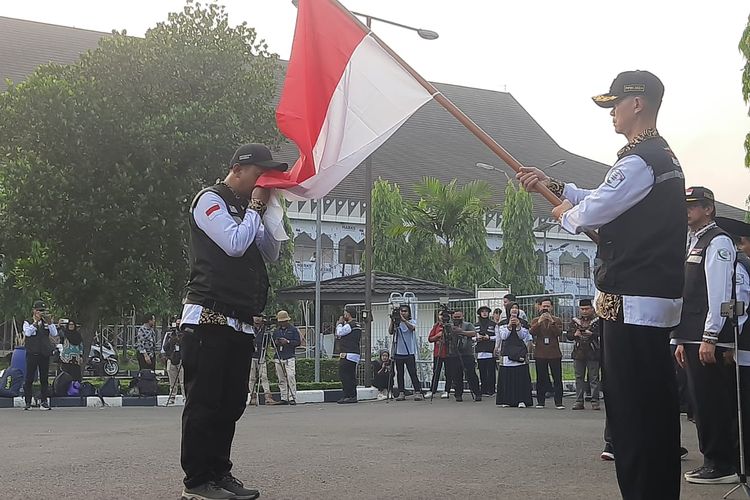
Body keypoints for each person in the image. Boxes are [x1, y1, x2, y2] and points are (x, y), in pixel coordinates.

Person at [518, 70, 686, 499]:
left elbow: (594, 210)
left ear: (638, 104)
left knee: (633, 412)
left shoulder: (641, 159)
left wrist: (564, 214)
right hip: (645, 301)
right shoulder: (655, 157)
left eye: (616, 104)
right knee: (651, 408)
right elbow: (601, 195)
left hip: (632, 301)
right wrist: (554, 187)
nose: (611, 113)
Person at [179, 143, 285, 500]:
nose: (264, 182)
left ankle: (219, 473)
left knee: (231, 403)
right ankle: (196, 481)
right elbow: (235, 244)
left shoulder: (249, 208)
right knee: (204, 402)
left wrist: (268, 211)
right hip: (208, 317)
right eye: (260, 174)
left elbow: (270, 252)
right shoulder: (210, 200)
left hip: (240, 321)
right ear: (238, 170)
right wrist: (255, 205)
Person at [673, 187, 740, 485]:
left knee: (713, 400)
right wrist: (680, 339)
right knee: (699, 401)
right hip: (691, 333)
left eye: (693, 206)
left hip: (709, 335)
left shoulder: (718, 241)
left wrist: (710, 335)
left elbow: (719, 292)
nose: (687, 211)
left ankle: (722, 461)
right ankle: (712, 457)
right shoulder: (693, 240)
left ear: (708, 208)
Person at [714, 216, 750, 476]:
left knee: (742, 407)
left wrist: (730, 343)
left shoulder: (739, 267)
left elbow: (741, 309)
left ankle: (744, 463)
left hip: (745, 347)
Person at [495, 302, 533, 408]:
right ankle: (507, 400)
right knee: (507, 377)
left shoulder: (524, 322)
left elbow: (523, 336)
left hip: (519, 351)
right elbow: (503, 336)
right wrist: (509, 326)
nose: (514, 310)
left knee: (520, 377)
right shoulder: (502, 323)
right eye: (512, 308)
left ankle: (522, 400)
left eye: (516, 308)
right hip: (507, 352)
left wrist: (518, 326)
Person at [23, 300, 58, 410]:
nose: (41, 313)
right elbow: (28, 333)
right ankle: (28, 402)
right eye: (39, 311)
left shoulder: (46, 323)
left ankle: (44, 401)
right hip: (32, 353)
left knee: (44, 379)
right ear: (34, 311)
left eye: (43, 311)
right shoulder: (27, 322)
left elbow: (54, 333)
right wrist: (35, 322)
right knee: (29, 378)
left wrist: (50, 322)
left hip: (43, 354)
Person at [530, 297, 564, 409]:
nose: (546, 308)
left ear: (552, 307)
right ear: (540, 307)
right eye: (544, 306)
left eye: (548, 306)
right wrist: (540, 322)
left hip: (554, 353)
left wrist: (552, 321)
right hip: (540, 353)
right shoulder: (535, 320)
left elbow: (558, 333)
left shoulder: (557, 320)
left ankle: (558, 402)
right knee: (541, 378)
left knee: (557, 378)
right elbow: (532, 332)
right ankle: (540, 401)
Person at [566, 299, 600, 410]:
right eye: (582, 309)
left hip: (593, 353)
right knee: (578, 378)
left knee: (594, 378)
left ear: (592, 309)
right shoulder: (575, 321)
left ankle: (595, 401)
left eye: (587, 309)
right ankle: (579, 401)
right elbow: (568, 335)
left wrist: (592, 334)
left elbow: (602, 333)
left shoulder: (598, 321)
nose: (584, 311)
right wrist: (575, 334)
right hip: (578, 353)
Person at [388, 305, 424, 401]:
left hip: (409, 352)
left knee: (412, 372)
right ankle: (401, 392)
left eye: (405, 311)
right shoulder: (397, 323)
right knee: (400, 373)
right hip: (398, 352)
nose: (403, 313)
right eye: (401, 311)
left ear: (409, 312)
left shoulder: (411, 321)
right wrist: (393, 320)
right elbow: (390, 332)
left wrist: (404, 320)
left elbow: (412, 328)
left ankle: (417, 392)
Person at [446, 309, 481, 402]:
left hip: (467, 353)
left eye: (459, 317)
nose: (457, 319)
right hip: (454, 353)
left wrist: (461, 332)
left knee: (471, 374)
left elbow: (474, 333)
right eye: (455, 317)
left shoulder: (468, 325)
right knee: (456, 375)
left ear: (462, 316)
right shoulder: (450, 326)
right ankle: (458, 394)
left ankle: (477, 393)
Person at [273, 310, 301, 405]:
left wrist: (288, 342)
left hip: (289, 356)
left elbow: (298, 342)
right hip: (279, 356)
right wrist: (276, 342)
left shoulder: (293, 330)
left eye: (283, 321)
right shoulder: (276, 331)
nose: (282, 323)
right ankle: (284, 397)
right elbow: (272, 344)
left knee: (291, 376)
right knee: (281, 378)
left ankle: (292, 397)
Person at [248, 316, 276, 406]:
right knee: (251, 378)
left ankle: (268, 397)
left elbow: (268, 342)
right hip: (252, 356)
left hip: (261, 355)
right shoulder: (250, 329)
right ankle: (253, 397)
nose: (257, 324)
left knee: (264, 377)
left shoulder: (264, 331)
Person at [335, 307, 361, 404]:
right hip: (354, 354)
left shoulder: (350, 325)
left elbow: (339, 332)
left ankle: (348, 395)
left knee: (345, 375)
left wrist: (339, 324)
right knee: (350, 375)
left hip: (348, 354)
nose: (343, 315)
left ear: (348, 314)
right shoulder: (357, 325)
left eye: (345, 313)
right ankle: (352, 395)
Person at [428, 310, 453, 399]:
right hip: (438, 353)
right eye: (441, 315)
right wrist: (437, 336)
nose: (442, 317)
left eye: (444, 315)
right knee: (436, 372)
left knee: (448, 373)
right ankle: (432, 390)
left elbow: (452, 338)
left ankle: (447, 390)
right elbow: (430, 338)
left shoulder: (450, 326)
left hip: (448, 353)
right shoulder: (436, 326)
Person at [162, 317, 184, 404]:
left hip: (182, 359)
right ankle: (172, 398)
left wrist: (180, 339)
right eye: (176, 324)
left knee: (183, 381)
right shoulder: (169, 334)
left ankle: (185, 398)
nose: (177, 326)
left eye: (179, 324)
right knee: (172, 381)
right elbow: (165, 347)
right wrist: (172, 339)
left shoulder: (184, 333)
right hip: (171, 359)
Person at [475, 306, 497, 396]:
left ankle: (491, 390)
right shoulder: (476, 325)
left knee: (491, 371)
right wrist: (477, 338)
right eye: (482, 311)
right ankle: (483, 389)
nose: (484, 313)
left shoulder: (493, 324)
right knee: (482, 371)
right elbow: (472, 337)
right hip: (480, 351)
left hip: (490, 351)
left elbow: (498, 337)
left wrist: (489, 338)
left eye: (486, 311)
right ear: (479, 313)